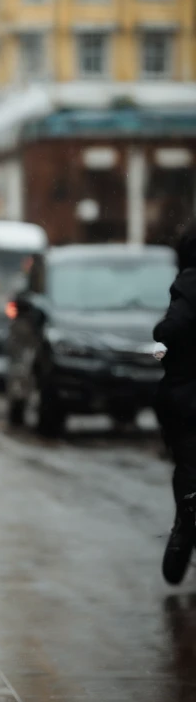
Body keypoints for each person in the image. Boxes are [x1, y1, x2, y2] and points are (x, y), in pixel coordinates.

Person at [156, 221, 196, 585]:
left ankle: (187, 521)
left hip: (187, 399)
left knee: (188, 465)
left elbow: (171, 329)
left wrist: (162, 332)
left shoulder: (189, 282)